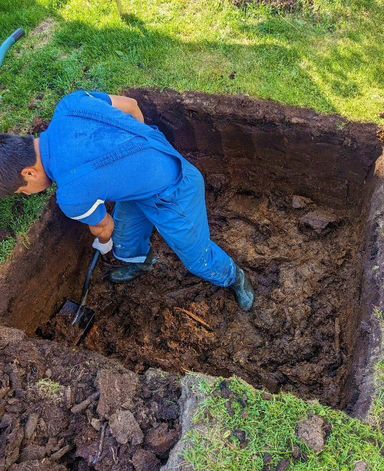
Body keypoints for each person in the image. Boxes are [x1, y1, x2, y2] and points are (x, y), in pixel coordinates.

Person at [0, 90, 254, 310]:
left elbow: (104, 227)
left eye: (22, 190)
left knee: (198, 259)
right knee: (126, 243)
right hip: (137, 189)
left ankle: (233, 277)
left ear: (29, 172)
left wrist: (102, 243)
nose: (26, 194)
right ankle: (141, 264)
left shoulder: (71, 194)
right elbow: (131, 105)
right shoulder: (70, 105)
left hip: (174, 189)